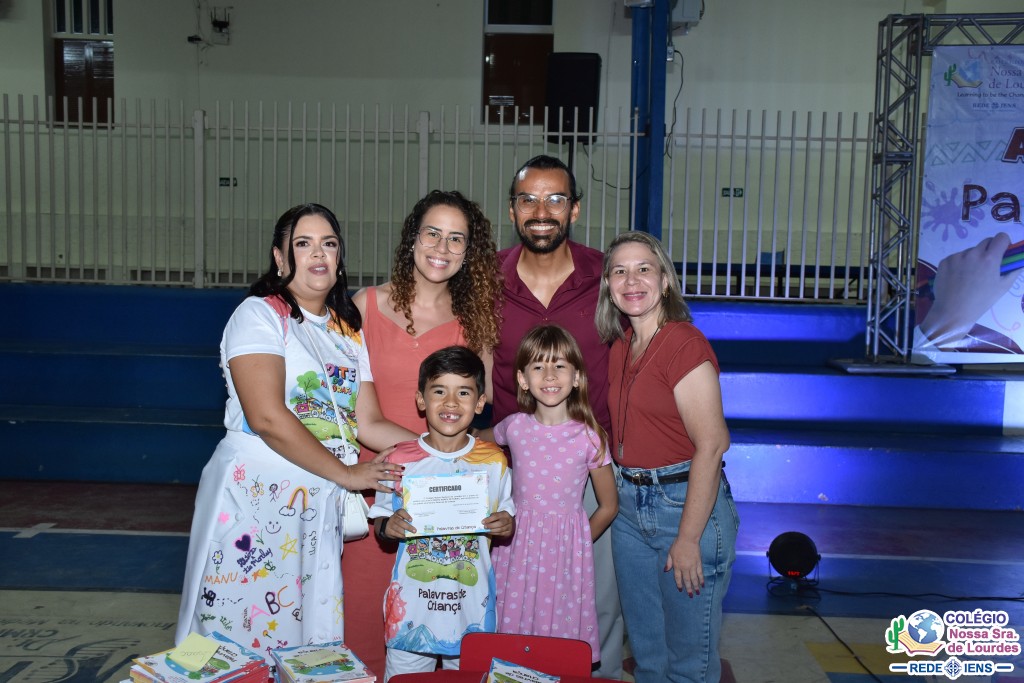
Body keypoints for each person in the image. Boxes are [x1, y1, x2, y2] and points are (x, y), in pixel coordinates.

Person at [175, 203, 414, 654]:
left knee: (305, 641)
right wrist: (347, 474)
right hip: (255, 501)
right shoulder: (258, 315)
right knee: (234, 639)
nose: (318, 254)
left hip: (315, 505)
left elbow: (367, 423)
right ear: (280, 258)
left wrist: (441, 449)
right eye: (303, 244)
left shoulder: (347, 330)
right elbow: (266, 416)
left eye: (329, 243)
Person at [345, 189, 502, 675]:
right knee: (363, 626)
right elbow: (352, 411)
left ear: (468, 251)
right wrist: (417, 459)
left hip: (444, 501)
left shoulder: (477, 321)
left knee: (438, 633)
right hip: (378, 485)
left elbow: (477, 413)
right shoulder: (364, 307)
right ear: (412, 237)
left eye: (457, 238)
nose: (442, 247)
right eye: (432, 233)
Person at [491, 153, 624, 679]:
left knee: (596, 600)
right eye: (528, 200)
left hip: (586, 467)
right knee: (511, 598)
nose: (541, 211)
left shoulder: (607, 277)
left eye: (555, 199)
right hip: (513, 472)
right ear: (512, 210)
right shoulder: (486, 279)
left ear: (574, 209)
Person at [596, 230, 739, 683]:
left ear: (665, 280)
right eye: (620, 271)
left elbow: (712, 445)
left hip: (682, 506)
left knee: (687, 664)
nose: (631, 280)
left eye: (644, 269)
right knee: (649, 658)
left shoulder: (683, 343)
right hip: (629, 508)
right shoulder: (621, 346)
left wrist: (689, 538)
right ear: (608, 286)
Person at [369, 346, 515, 682]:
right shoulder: (399, 459)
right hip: (411, 610)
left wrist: (507, 524)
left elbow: (507, 517)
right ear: (421, 400)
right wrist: (389, 526)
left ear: (479, 402)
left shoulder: (493, 461)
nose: (451, 403)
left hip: (471, 608)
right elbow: (379, 523)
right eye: (439, 392)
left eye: (463, 392)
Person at [490, 324, 617, 664]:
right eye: (538, 366)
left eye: (559, 365)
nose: (549, 375)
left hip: (564, 551)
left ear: (577, 377)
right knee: (509, 629)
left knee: (556, 639)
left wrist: (578, 542)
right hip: (515, 545)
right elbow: (474, 440)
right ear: (522, 379)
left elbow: (609, 506)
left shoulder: (590, 437)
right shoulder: (513, 427)